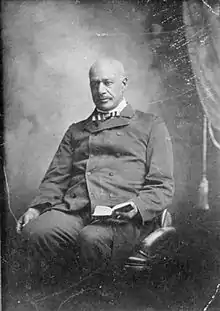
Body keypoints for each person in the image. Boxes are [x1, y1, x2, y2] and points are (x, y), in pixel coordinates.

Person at [16, 57, 174, 277]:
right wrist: (37, 208)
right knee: (36, 232)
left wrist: (137, 207)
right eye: (94, 83)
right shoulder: (76, 130)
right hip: (76, 211)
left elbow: (162, 184)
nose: (100, 90)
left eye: (108, 83)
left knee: (92, 239)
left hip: (122, 217)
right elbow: (55, 179)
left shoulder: (150, 125)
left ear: (124, 84)